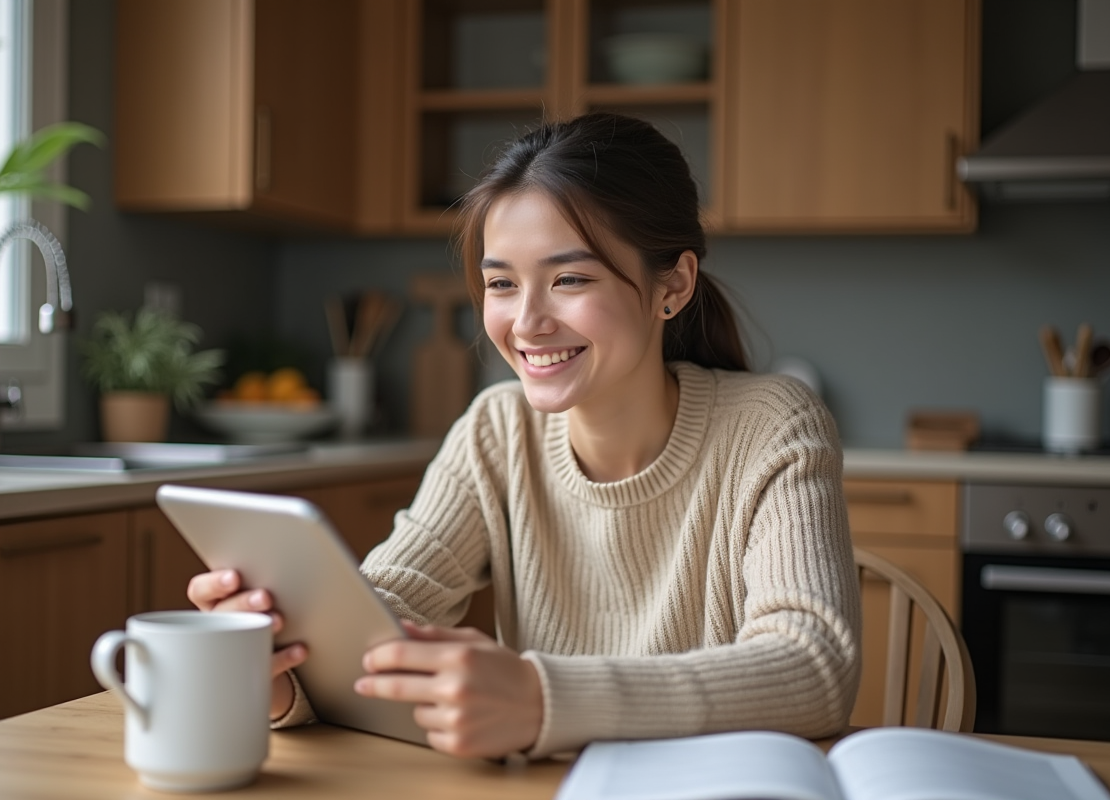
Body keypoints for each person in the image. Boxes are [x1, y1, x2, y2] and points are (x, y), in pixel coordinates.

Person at [189, 112, 861, 761]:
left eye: (570, 279)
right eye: (502, 284)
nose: (527, 321)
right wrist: (287, 664)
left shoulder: (772, 423)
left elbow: (812, 666)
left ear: (673, 285)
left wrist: (545, 700)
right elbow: (391, 601)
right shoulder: (496, 428)